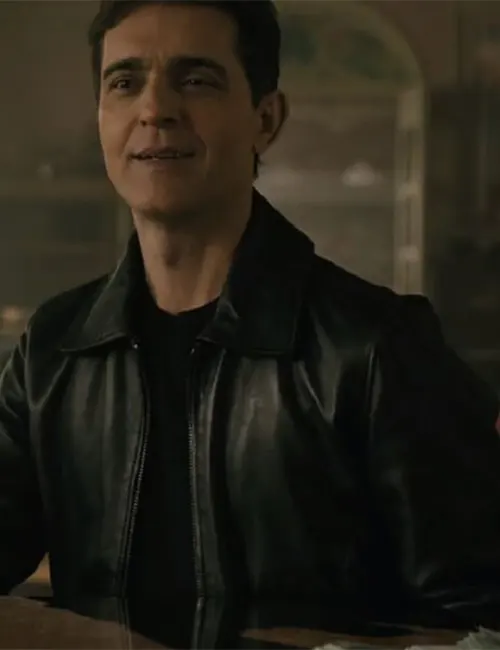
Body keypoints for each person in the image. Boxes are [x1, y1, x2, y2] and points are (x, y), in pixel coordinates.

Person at [1, 0, 500, 628]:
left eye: (196, 79)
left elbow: (480, 618)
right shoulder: (53, 350)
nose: (155, 109)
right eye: (124, 82)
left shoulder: (375, 346)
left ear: (266, 119)